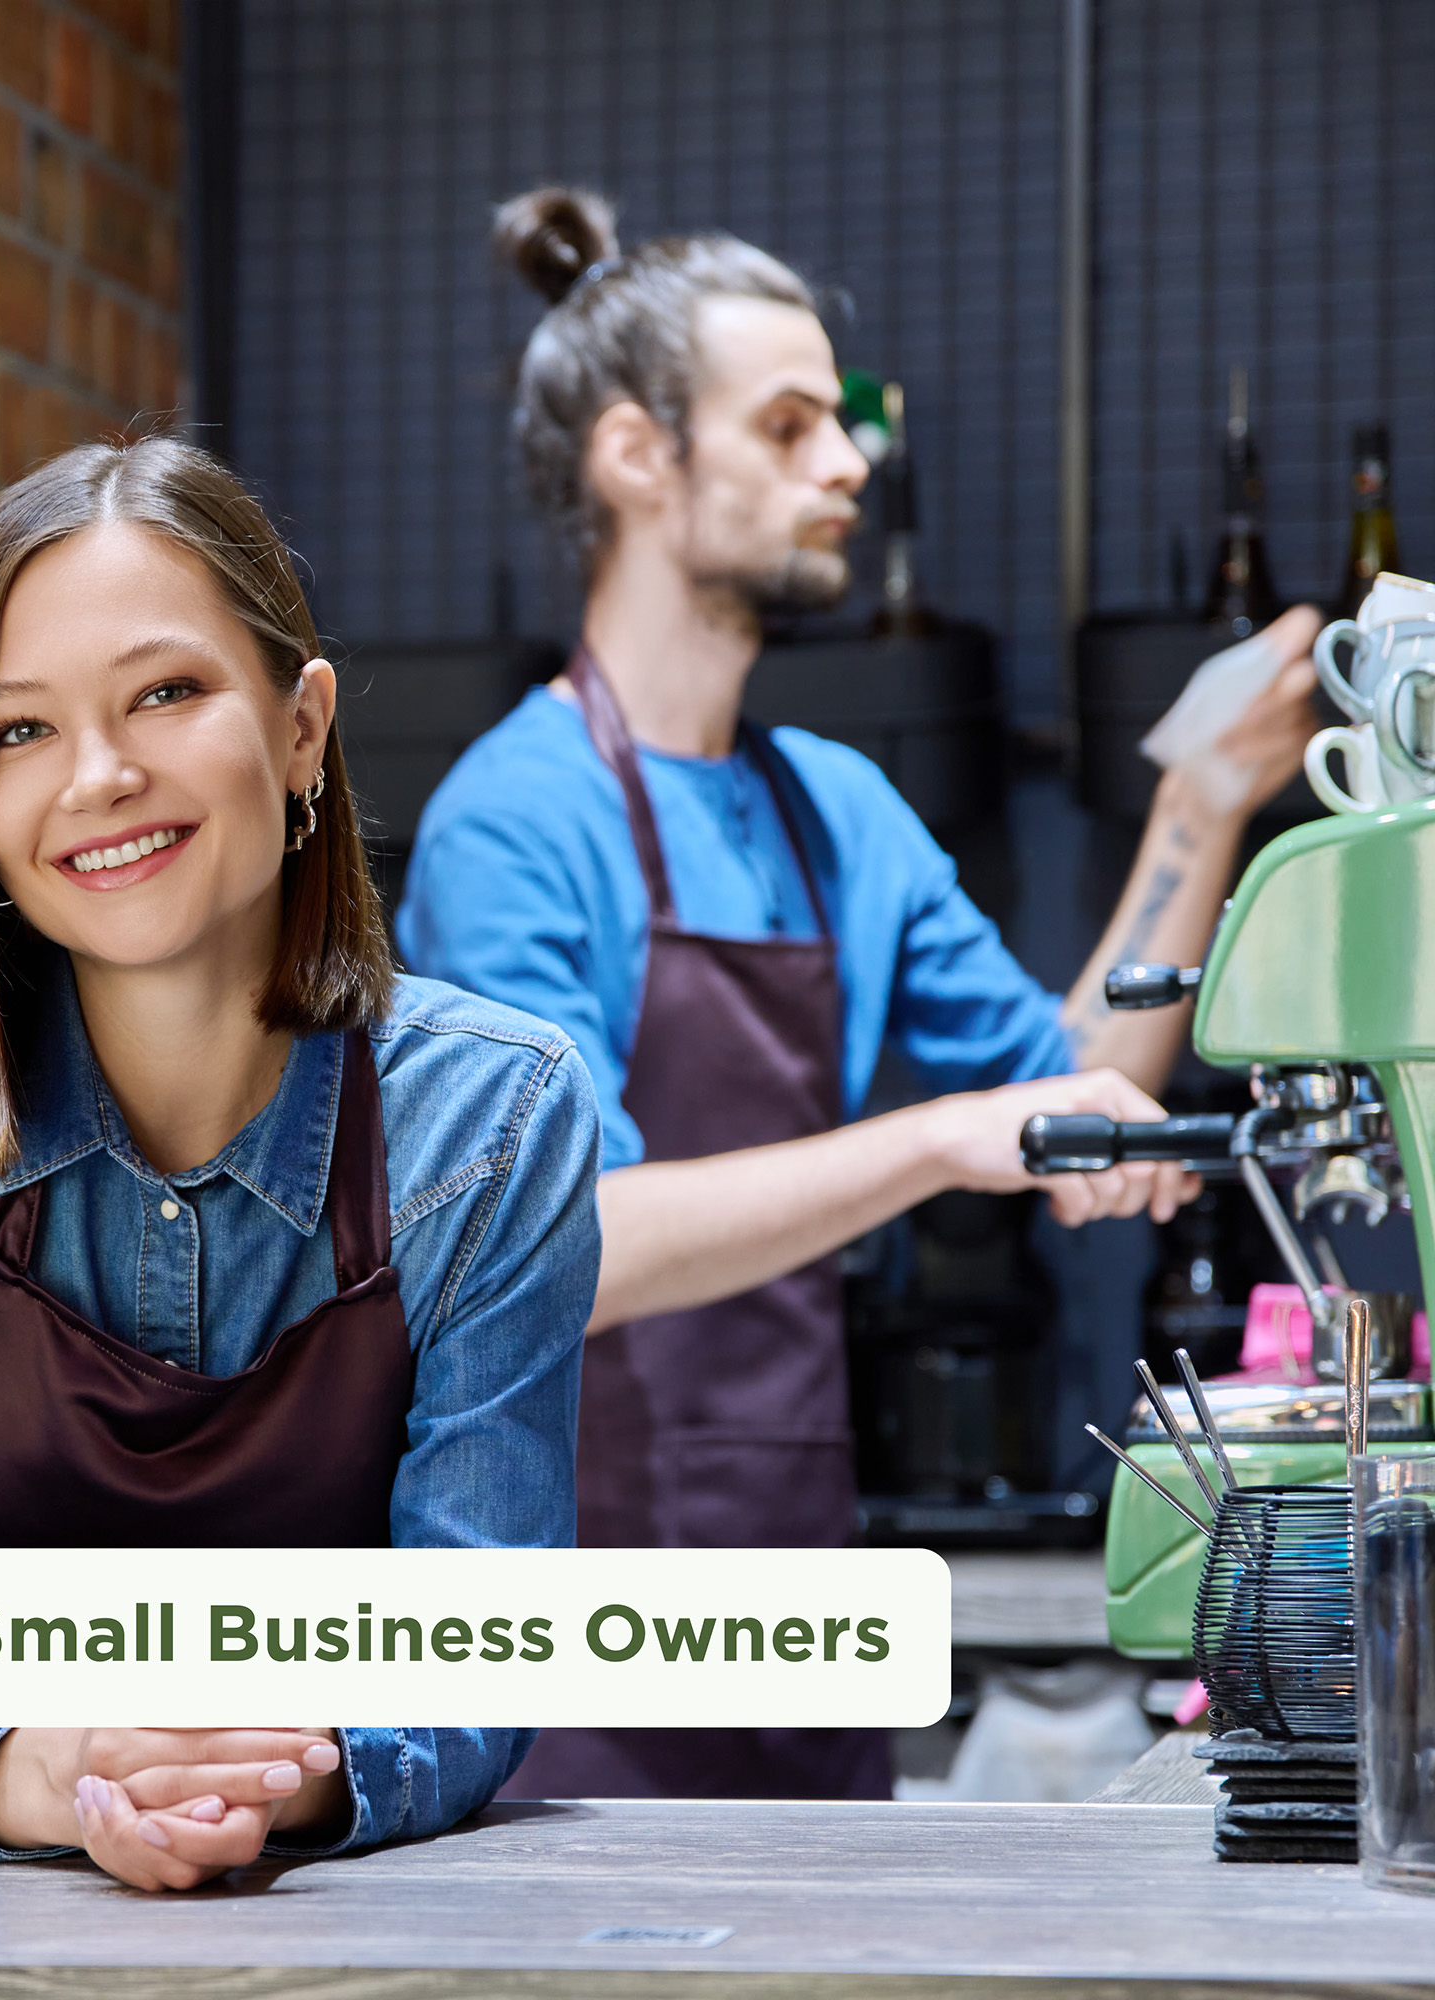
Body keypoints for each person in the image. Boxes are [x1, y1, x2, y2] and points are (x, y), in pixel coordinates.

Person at [394, 188, 1320, 1803]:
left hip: (796, 1598)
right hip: (572, 1638)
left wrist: (1200, 800)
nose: (852, 462)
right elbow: (565, 1256)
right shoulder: (514, 820)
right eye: (794, 423)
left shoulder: (836, 809)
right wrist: (937, 1140)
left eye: (847, 420)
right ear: (639, 457)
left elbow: (1069, 1102)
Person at [0, 436, 601, 1890]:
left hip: (328, 1902)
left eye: (167, 693)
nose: (103, 777)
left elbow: (480, 1652)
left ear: (302, 726)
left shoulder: (494, 1122)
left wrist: (260, 1781)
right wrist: (49, 1775)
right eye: (21, 733)